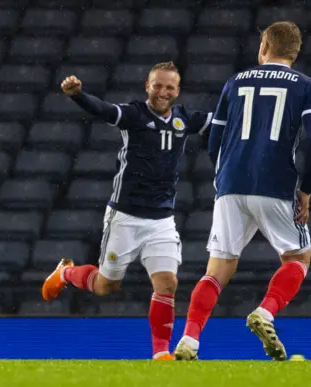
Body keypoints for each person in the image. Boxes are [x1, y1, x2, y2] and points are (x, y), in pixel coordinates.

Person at [173, 21, 311, 361]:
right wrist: (306, 190)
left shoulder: (234, 82)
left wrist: (226, 173)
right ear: (295, 53)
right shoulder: (307, 86)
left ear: (263, 48)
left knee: (216, 271)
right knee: (298, 258)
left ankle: (189, 340)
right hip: (275, 182)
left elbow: (215, 139)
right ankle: (266, 312)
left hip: (231, 184)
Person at [42, 62, 213, 360]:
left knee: (167, 283)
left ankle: (161, 354)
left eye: (169, 87)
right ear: (147, 86)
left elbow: (224, 120)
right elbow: (104, 110)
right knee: (107, 286)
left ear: (177, 91)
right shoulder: (134, 114)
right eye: (157, 85)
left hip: (162, 220)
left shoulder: (185, 119)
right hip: (125, 217)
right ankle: (67, 272)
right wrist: (78, 95)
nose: (163, 92)